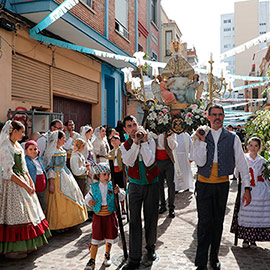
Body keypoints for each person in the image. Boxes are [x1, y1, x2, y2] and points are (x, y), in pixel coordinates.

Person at [193, 105, 252, 270]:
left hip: (221, 185)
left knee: (217, 222)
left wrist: (247, 187)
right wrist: (202, 142)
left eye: (220, 114)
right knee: (204, 222)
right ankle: (200, 262)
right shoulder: (200, 135)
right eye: (214, 115)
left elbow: (242, 163)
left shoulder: (232, 137)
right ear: (209, 117)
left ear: (224, 116)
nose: (217, 117)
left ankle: (214, 257)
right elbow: (198, 161)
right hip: (203, 184)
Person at [0, 120, 51, 259]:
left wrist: (30, 181)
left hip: (23, 181)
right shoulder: (5, 147)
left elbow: (24, 166)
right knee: (16, 215)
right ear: (14, 131)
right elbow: (8, 173)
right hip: (12, 185)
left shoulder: (17, 146)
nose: (23, 134)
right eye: (22, 132)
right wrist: (26, 185)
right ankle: (14, 249)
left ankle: (25, 246)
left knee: (29, 214)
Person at [120, 115, 159, 270]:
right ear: (125, 129)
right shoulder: (125, 145)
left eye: (134, 124)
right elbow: (129, 161)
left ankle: (150, 248)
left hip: (152, 185)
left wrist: (143, 143)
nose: (133, 128)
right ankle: (134, 257)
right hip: (135, 186)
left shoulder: (150, 140)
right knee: (134, 221)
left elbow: (149, 161)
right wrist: (136, 143)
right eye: (129, 126)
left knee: (151, 217)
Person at [84, 162, 125, 270]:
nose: (107, 177)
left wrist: (118, 192)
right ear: (98, 175)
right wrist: (90, 201)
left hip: (109, 215)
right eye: (104, 175)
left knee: (109, 235)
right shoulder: (94, 187)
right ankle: (92, 260)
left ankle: (107, 254)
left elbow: (122, 197)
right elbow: (87, 197)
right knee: (96, 237)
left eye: (108, 174)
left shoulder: (112, 186)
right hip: (98, 215)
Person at [231, 137, 270, 249]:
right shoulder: (243, 159)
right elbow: (236, 174)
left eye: (256, 146)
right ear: (247, 146)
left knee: (258, 214)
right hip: (247, 188)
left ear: (259, 147)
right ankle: (245, 238)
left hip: (260, 190)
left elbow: (266, 177)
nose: (253, 148)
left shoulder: (263, 161)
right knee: (246, 211)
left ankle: (253, 239)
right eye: (251, 145)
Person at [44, 130, 88, 230]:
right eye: (63, 138)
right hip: (56, 177)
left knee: (73, 194)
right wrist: (51, 182)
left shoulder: (62, 149)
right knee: (58, 201)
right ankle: (59, 225)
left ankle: (70, 223)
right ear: (58, 139)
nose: (65, 140)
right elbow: (50, 167)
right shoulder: (51, 152)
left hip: (65, 175)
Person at [156, 130, 178, 218]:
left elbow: (174, 146)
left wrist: (169, 136)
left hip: (168, 161)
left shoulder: (171, 132)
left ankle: (171, 207)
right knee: (159, 185)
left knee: (170, 184)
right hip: (158, 161)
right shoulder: (154, 131)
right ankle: (162, 205)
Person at [106, 135, 126, 216]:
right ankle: (116, 208)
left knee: (122, 189)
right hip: (113, 173)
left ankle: (123, 207)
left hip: (121, 172)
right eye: (112, 141)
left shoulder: (122, 150)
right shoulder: (111, 152)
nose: (114, 142)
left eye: (115, 140)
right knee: (114, 189)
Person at [25, 140, 48, 211]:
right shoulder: (25, 161)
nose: (33, 151)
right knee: (34, 205)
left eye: (35, 149)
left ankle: (43, 219)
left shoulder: (39, 159)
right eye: (30, 149)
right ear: (26, 151)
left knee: (42, 204)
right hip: (33, 186)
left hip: (42, 186)